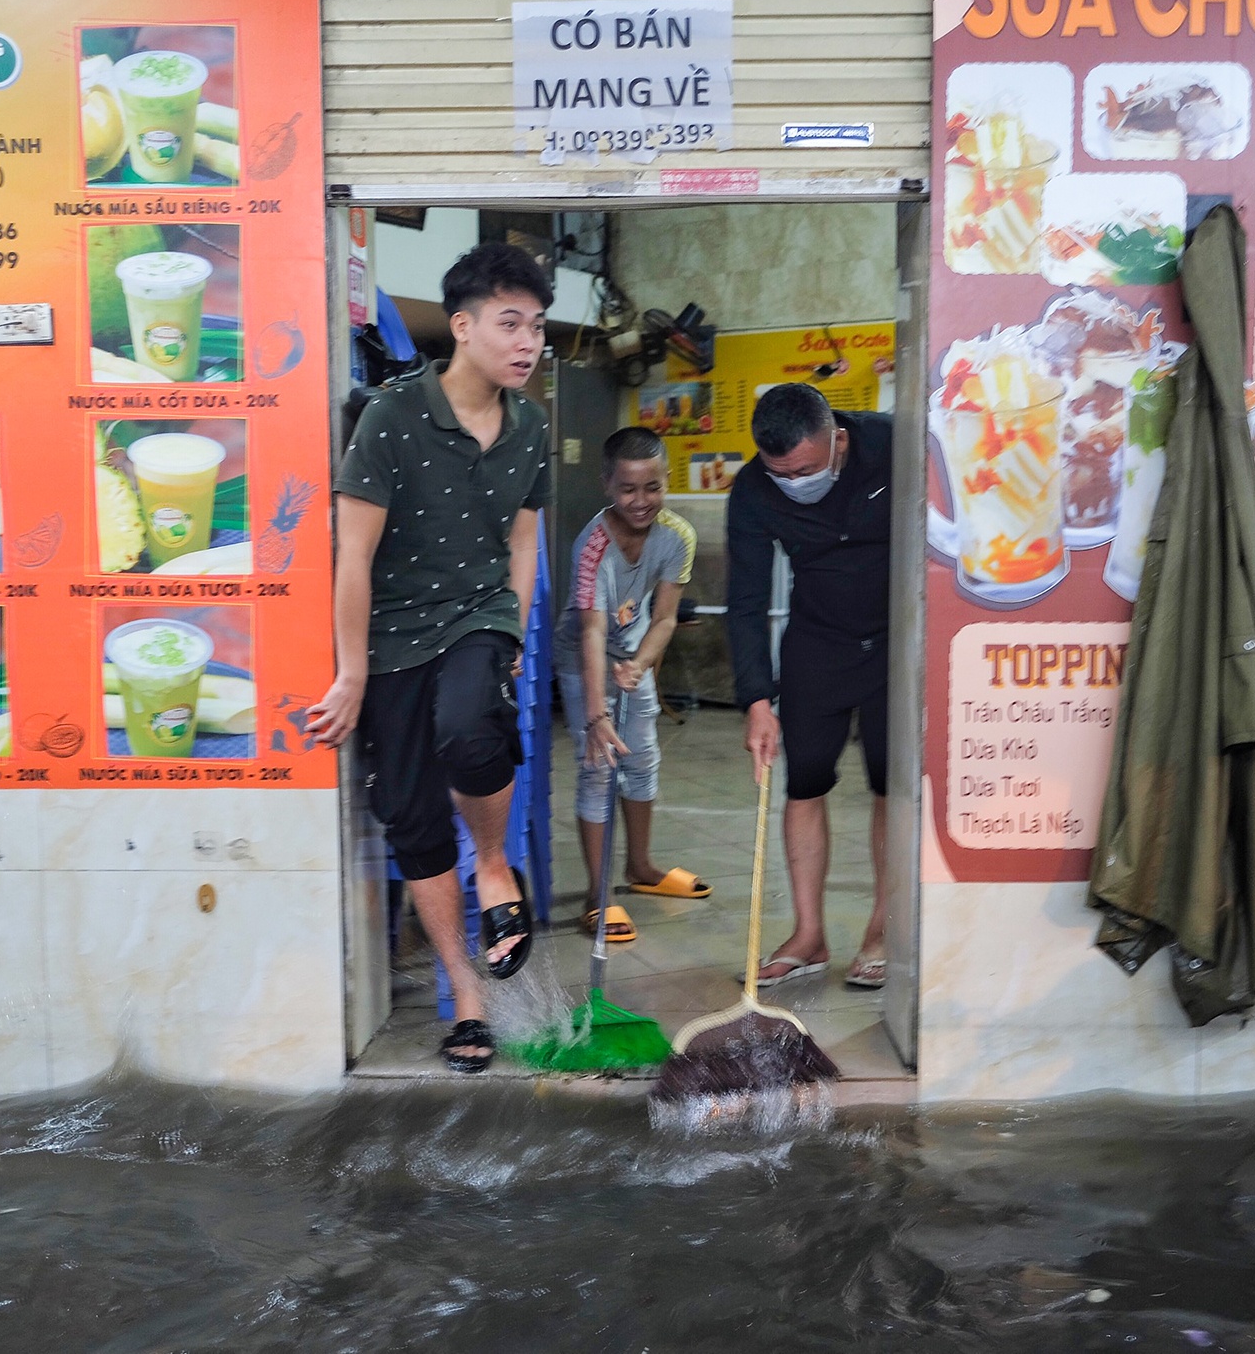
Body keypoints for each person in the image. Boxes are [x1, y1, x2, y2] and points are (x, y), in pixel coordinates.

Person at [311, 242, 553, 1074]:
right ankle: (470, 1000)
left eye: (538, 326)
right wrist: (349, 672)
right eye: (510, 323)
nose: (528, 342)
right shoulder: (392, 417)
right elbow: (352, 557)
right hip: (388, 641)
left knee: (472, 730)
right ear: (463, 326)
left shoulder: (531, 426)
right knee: (412, 823)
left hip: (476, 616)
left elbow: (524, 535)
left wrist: (513, 631)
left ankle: (493, 864)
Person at [726, 382, 892, 990]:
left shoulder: (892, 445)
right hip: (817, 640)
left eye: (805, 470)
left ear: (838, 440)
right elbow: (744, 599)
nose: (794, 483)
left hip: (896, 638)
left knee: (890, 783)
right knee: (805, 782)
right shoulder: (751, 489)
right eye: (781, 474)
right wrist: (755, 700)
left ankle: (883, 929)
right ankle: (809, 935)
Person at [553, 427, 709, 944]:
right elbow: (594, 630)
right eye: (628, 490)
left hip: (631, 655)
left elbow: (664, 618)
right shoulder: (592, 547)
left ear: (667, 482)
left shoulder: (677, 537)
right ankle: (598, 895)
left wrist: (641, 664)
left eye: (653, 488)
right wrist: (596, 713)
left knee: (642, 757)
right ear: (607, 486)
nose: (641, 501)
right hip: (583, 658)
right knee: (598, 766)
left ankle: (641, 867)